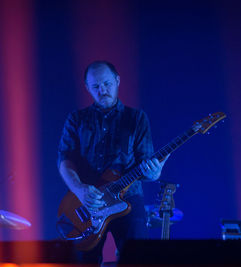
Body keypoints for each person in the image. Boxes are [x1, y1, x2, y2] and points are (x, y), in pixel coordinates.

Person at [57, 61, 168, 263]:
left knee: (139, 258)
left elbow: (146, 165)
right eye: (96, 87)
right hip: (87, 202)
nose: (103, 90)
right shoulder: (76, 119)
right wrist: (80, 190)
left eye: (107, 84)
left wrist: (154, 173)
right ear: (87, 88)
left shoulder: (136, 118)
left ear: (117, 81)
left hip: (129, 199)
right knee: (82, 261)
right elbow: (65, 160)